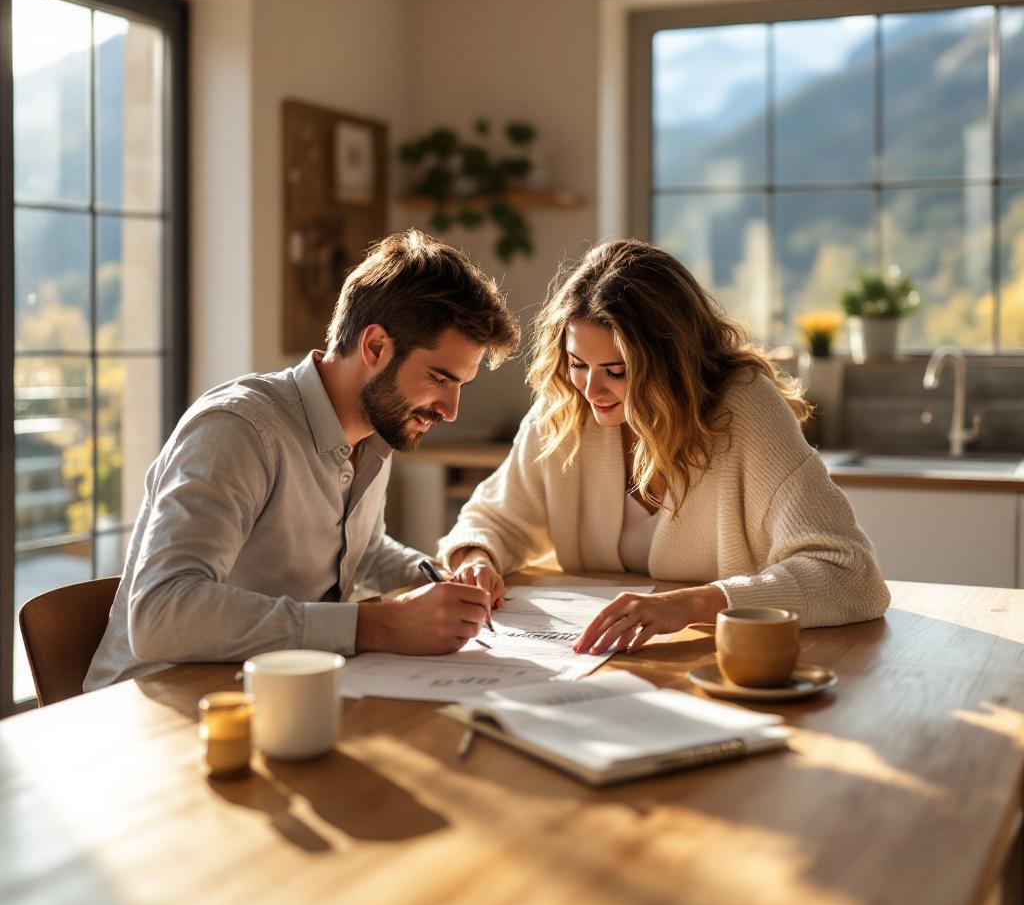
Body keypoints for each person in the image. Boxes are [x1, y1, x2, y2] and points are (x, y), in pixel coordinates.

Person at [85, 230, 520, 690]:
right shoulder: (237, 430)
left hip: (276, 692)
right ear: (375, 347)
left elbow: (362, 551)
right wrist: (380, 626)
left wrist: (440, 581)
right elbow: (161, 615)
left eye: (460, 387)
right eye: (439, 378)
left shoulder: (376, 430)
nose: (450, 411)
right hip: (151, 708)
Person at [438, 239, 889, 657]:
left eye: (616, 371)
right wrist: (477, 559)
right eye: (578, 364)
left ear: (670, 364)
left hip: (719, 661)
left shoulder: (745, 410)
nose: (592, 388)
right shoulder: (566, 409)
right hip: (603, 666)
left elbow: (849, 575)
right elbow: (492, 520)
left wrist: (692, 605)